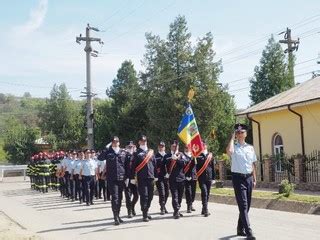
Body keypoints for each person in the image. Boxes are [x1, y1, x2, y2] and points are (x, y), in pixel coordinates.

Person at [226, 123, 257, 240]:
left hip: (248, 177)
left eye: (241, 132)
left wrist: (254, 178)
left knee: (247, 205)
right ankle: (248, 231)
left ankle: (240, 227)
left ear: (246, 134)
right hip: (238, 178)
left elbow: (253, 164)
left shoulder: (250, 148)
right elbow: (228, 151)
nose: (240, 134)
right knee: (243, 204)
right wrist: (232, 138)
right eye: (237, 132)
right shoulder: (234, 146)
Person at [131, 135, 157, 222]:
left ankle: (146, 210)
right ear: (139, 142)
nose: (144, 142)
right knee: (144, 196)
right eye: (142, 141)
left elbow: (154, 165)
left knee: (150, 196)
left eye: (145, 141)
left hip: (151, 177)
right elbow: (133, 167)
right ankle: (144, 214)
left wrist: (156, 176)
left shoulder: (151, 152)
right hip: (141, 178)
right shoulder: (136, 153)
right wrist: (132, 178)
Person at [104, 136, 127, 225]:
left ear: (119, 143)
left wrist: (127, 177)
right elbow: (100, 158)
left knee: (120, 197)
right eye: (113, 142)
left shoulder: (123, 152)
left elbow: (126, 165)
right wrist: (106, 148)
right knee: (115, 197)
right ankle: (115, 217)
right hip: (112, 178)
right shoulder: (108, 152)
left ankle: (118, 215)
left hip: (121, 178)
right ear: (111, 143)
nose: (115, 143)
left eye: (116, 142)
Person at [165, 140, 187, 219]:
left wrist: (177, 159)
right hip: (172, 178)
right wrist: (171, 158)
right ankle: (176, 210)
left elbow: (184, 163)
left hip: (181, 178)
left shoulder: (181, 154)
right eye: (173, 146)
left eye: (176, 146)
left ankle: (177, 209)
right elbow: (164, 164)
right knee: (175, 196)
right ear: (171, 146)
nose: (175, 147)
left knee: (180, 196)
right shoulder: (167, 155)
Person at [195, 141, 215, 217]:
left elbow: (212, 167)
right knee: (204, 192)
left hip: (209, 177)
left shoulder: (210, 155)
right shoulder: (198, 155)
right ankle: (206, 210)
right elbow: (196, 168)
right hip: (201, 178)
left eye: (204, 144)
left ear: (206, 145)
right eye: (202, 145)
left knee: (208, 194)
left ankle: (204, 208)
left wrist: (213, 178)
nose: (203, 146)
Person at [124, 141, 139, 218]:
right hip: (127, 179)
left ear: (134, 147)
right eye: (129, 147)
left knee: (136, 196)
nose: (130, 148)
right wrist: (125, 177)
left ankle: (132, 206)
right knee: (128, 196)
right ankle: (129, 211)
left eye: (132, 147)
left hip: (135, 179)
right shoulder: (124, 156)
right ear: (127, 148)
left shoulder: (137, 155)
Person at [155, 141, 169, 215]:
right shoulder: (155, 156)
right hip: (159, 177)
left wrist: (169, 174)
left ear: (164, 147)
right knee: (162, 193)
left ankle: (163, 205)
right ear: (158, 147)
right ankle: (162, 208)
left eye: (162, 146)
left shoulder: (167, 155)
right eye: (160, 146)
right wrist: (155, 176)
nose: (161, 147)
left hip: (166, 177)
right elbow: (154, 167)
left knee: (167, 193)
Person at [183, 145, 197, 213]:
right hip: (186, 177)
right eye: (186, 147)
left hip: (193, 176)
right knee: (188, 192)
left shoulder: (193, 155)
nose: (187, 149)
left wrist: (194, 157)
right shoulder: (182, 156)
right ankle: (188, 206)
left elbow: (195, 165)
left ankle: (191, 203)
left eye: (188, 147)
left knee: (193, 192)